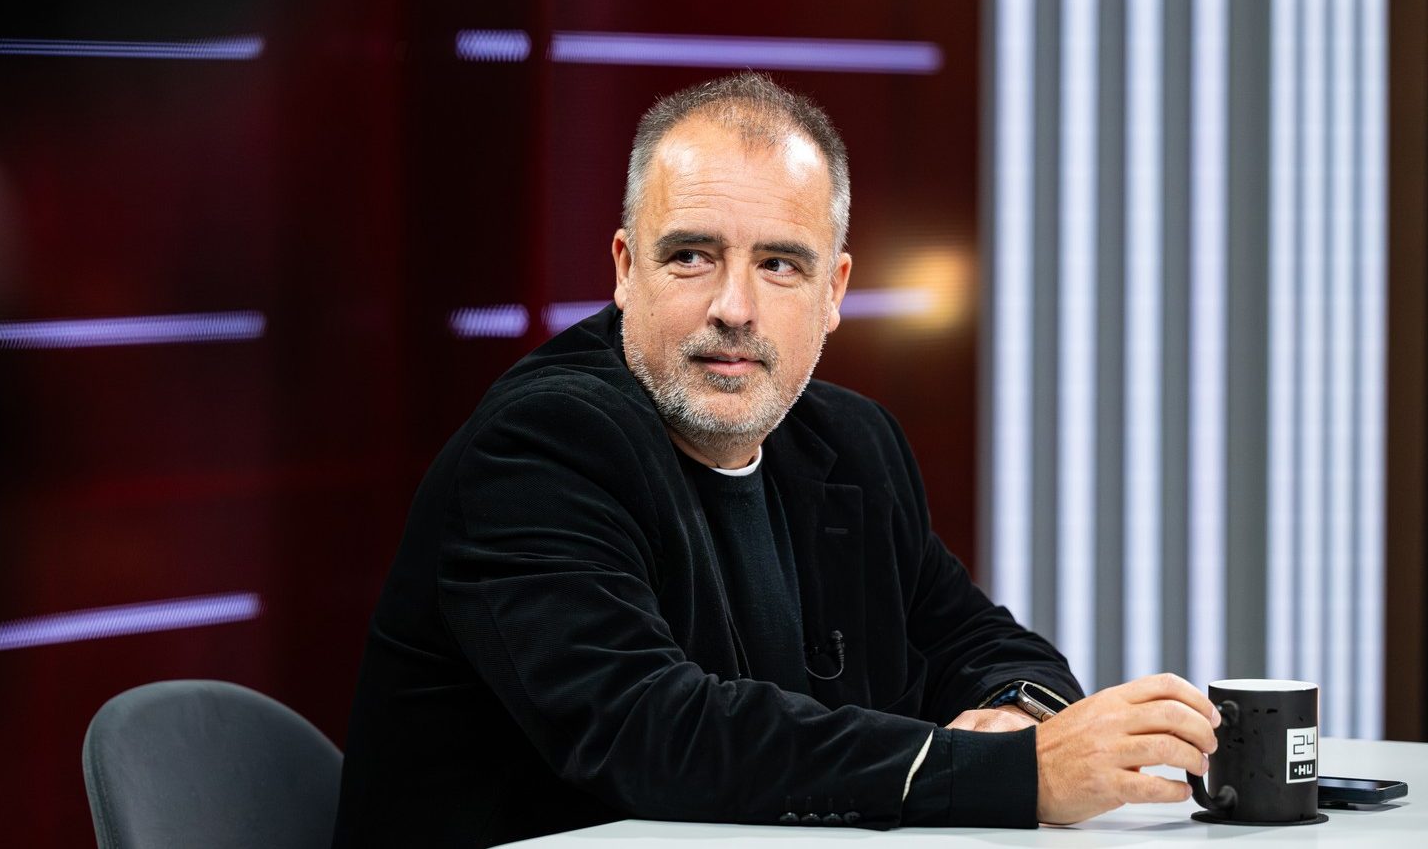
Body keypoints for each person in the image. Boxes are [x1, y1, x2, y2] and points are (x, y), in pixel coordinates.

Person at [331, 73, 1221, 849]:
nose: (735, 306)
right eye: (691, 256)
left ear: (834, 291)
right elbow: (654, 733)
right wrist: (1010, 774)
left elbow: (977, 640)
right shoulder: (541, 445)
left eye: (780, 265)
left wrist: (1017, 716)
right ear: (625, 269)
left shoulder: (852, 443)